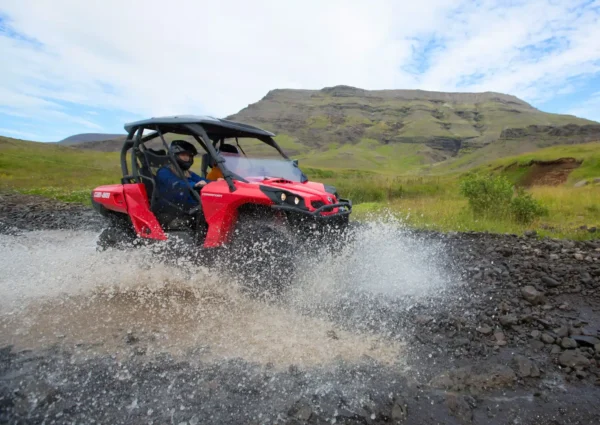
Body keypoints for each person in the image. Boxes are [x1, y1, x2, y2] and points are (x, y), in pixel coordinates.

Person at [155, 140, 209, 211]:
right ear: (174, 155)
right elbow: (176, 184)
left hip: (189, 206)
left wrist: (216, 182)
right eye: (183, 155)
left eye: (189, 156)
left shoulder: (186, 172)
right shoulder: (163, 172)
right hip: (170, 210)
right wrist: (195, 185)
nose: (187, 158)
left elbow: (200, 179)